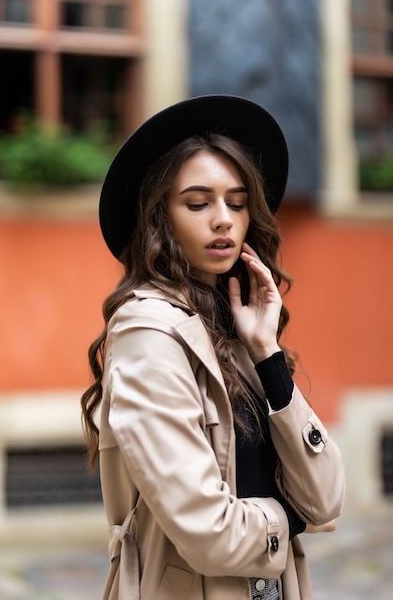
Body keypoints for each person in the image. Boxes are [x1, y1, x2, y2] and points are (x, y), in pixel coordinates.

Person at [81, 95, 345, 600]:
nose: (223, 218)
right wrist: (287, 518)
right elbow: (208, 532)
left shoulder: (237, 328)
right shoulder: (147, 332)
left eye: (238, 202)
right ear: (161, 217)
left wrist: (267, 352)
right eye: (198, 203)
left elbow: (327, 496)